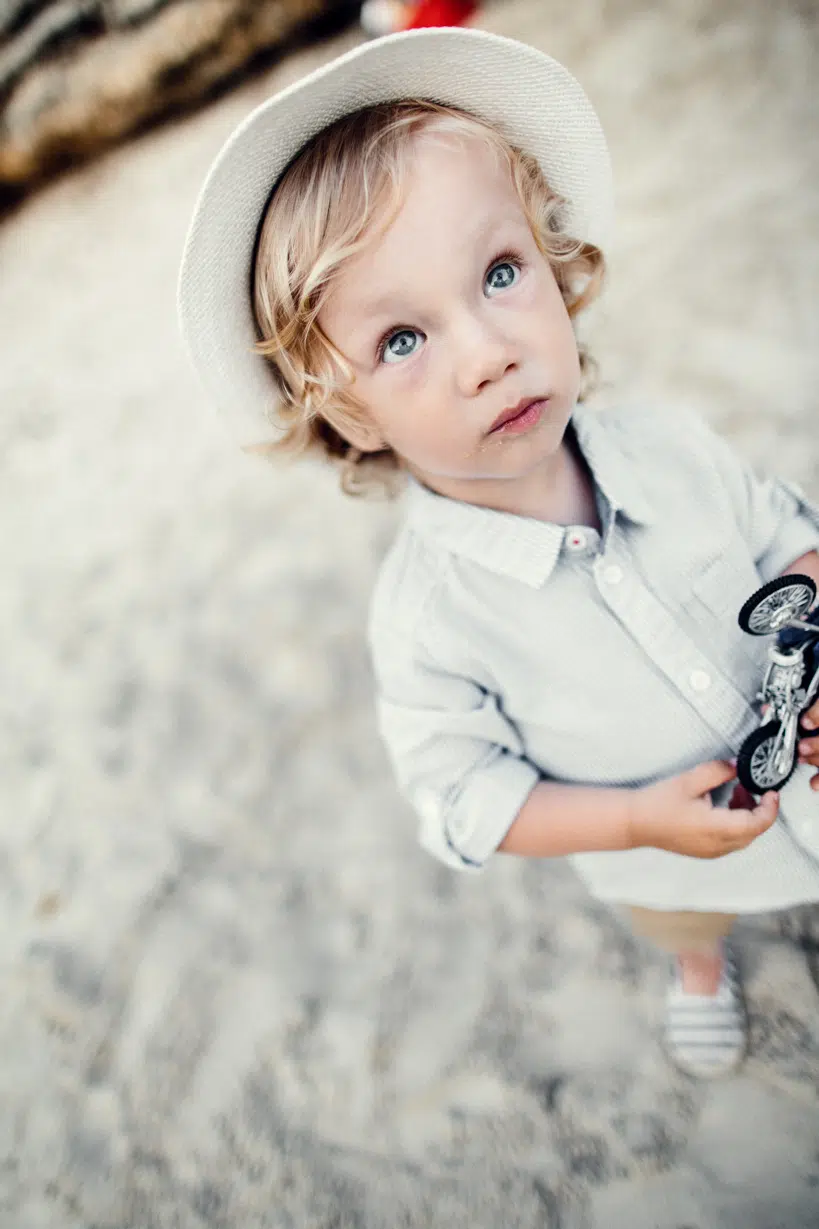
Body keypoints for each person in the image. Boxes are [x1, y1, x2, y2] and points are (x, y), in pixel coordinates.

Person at [177, 27, 819, 1078]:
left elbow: (782, 527)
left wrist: (808, 594)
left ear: (555, 261)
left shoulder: (669, 443)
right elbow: (463, 793)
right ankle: (699, 968)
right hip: (659, 853)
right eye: (401, 339)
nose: (486, 352)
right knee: (678, 918)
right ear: (350, 416)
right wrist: (626, 820)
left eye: (501, 271)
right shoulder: (430, 618)